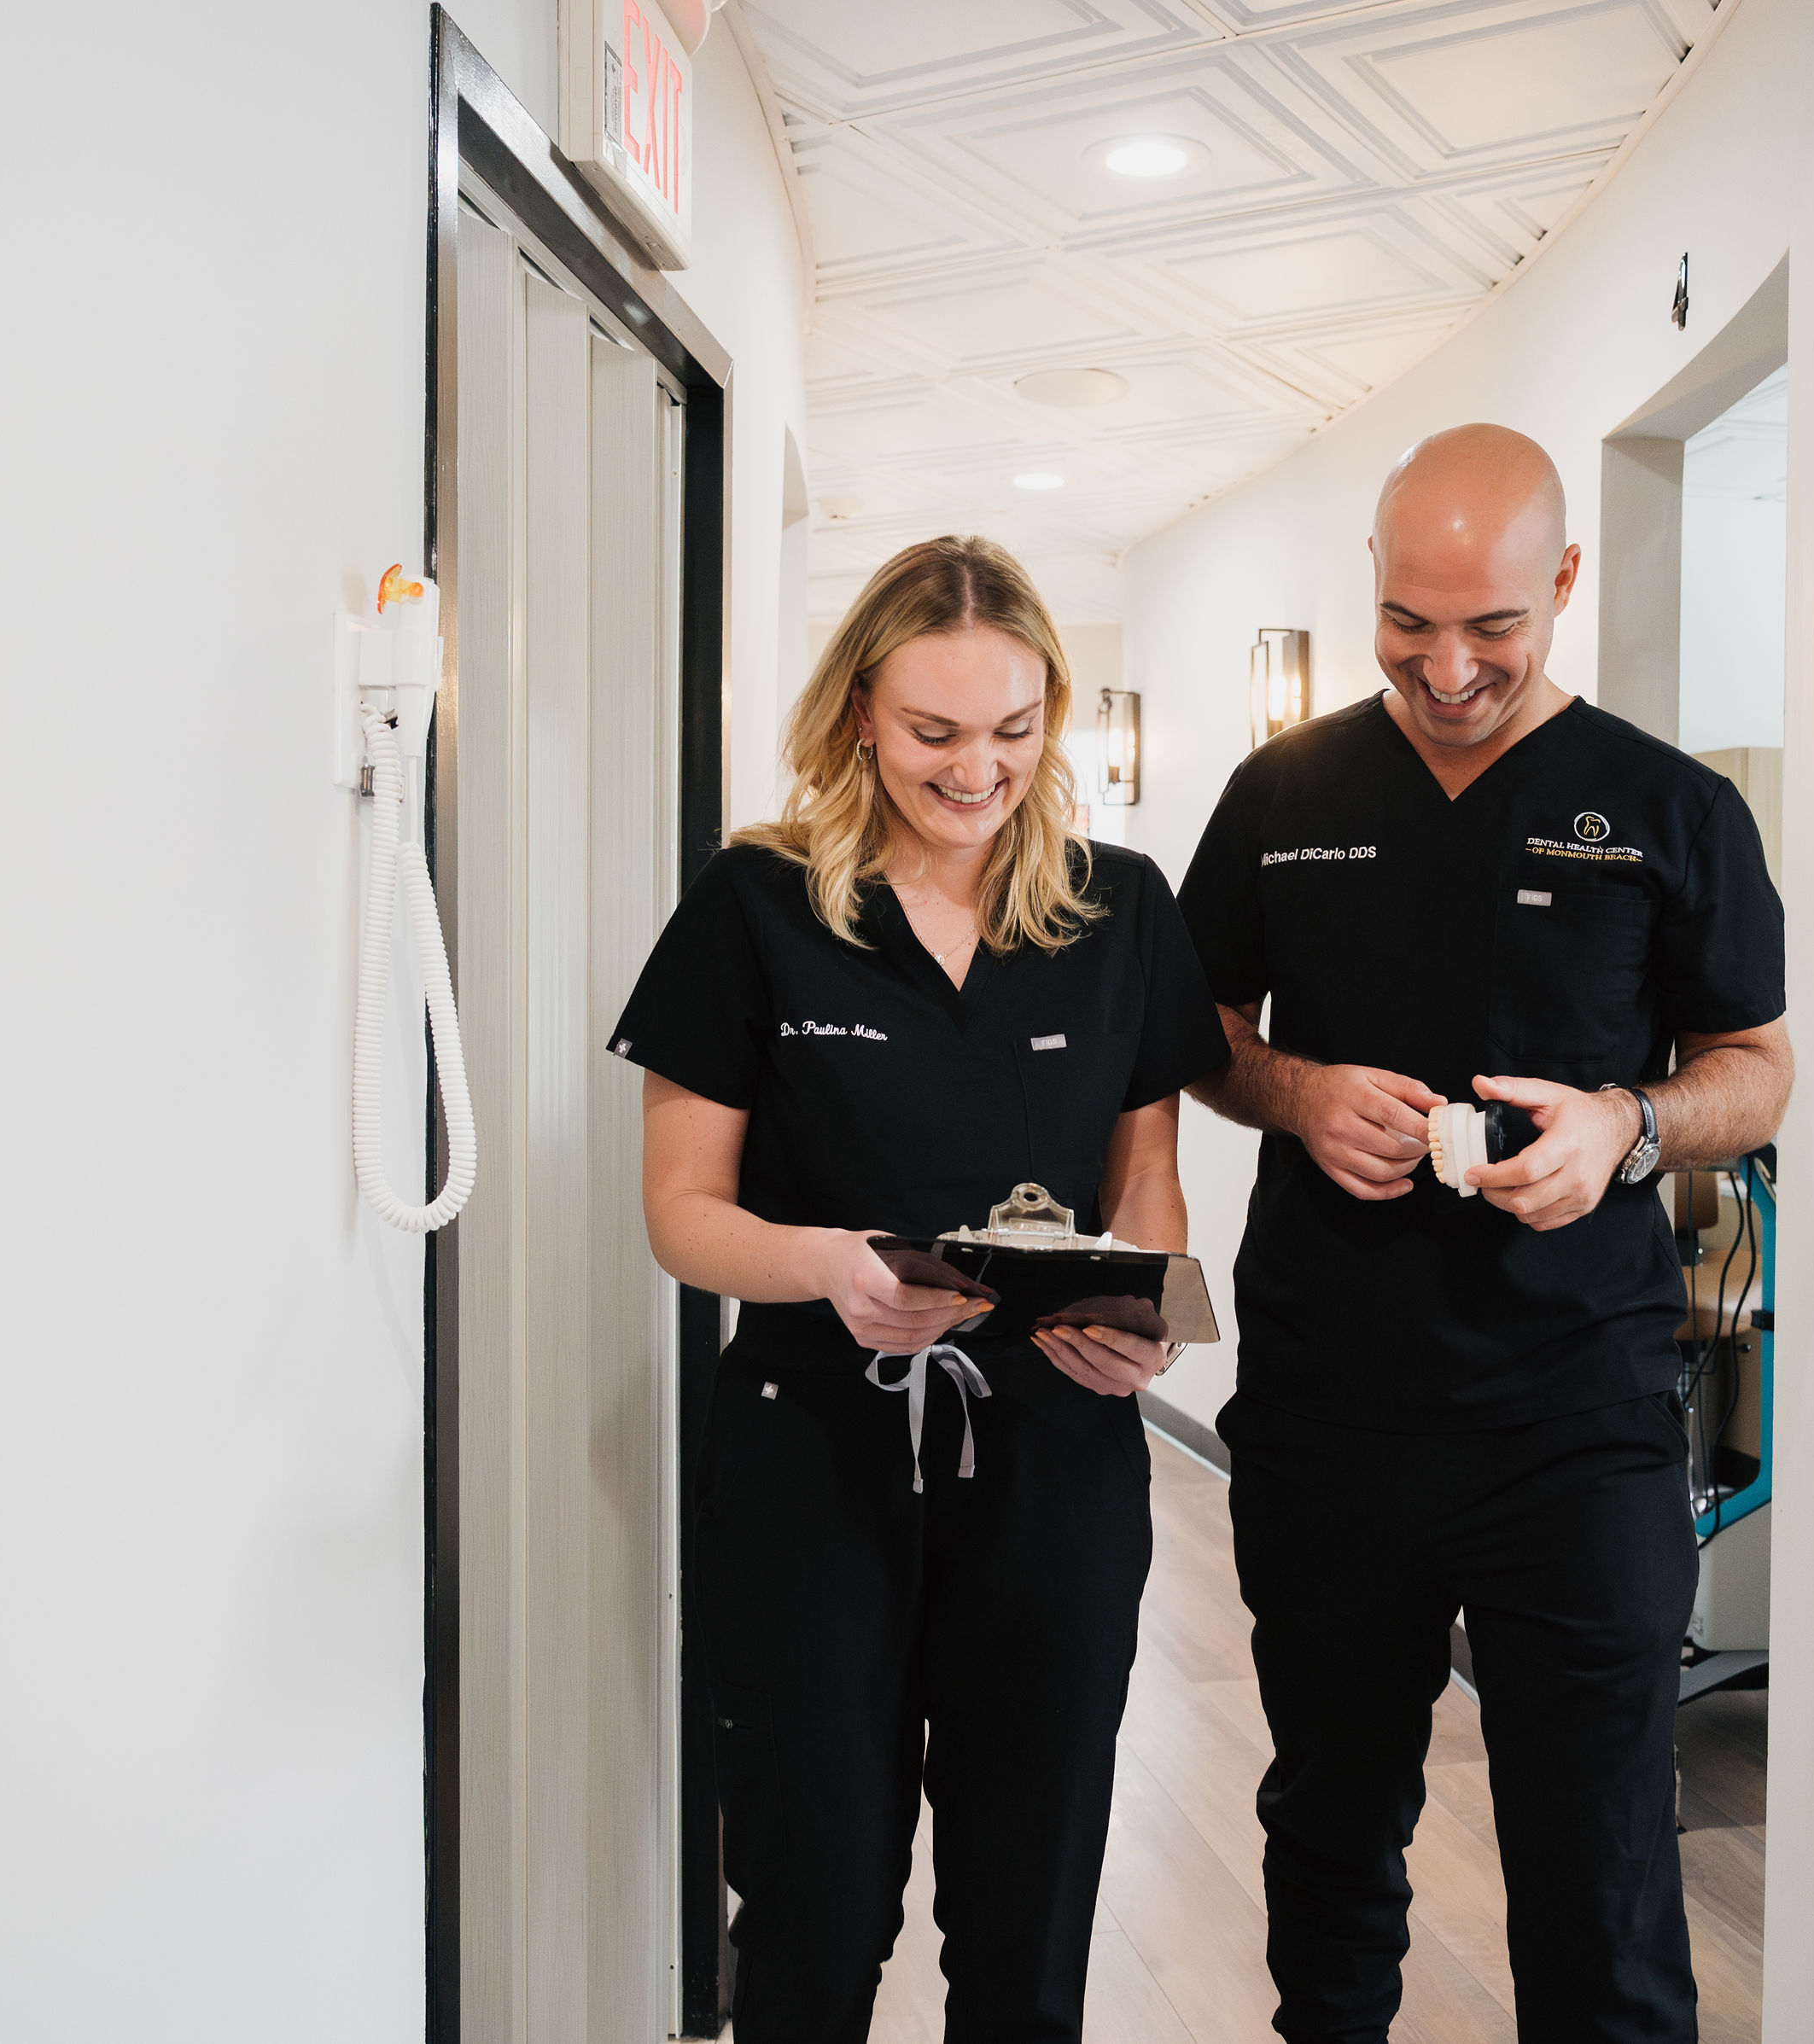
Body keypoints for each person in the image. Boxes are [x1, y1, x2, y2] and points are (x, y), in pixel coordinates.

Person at [1175, 425, 1793, 2044]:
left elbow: (1757, 1067)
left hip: (1578, 1417)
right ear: (1372, 585)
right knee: (1330, 1826)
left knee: (1596, 1865)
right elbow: (1197, 1033)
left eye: (1496, 629)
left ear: (1565, 583)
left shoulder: (1670, 807)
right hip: (1331, 1409)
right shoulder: (1281, 794)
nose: (1449, 668)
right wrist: (1297, 1091)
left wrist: (1631, 1127)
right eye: (1411, 623)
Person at [611, 534, 1229, 2043]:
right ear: (862, 717)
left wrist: (1135, 1316)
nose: (978, 771)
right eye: (935, 733)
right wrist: (825, 1266)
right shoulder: (755, 906)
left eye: (1014, 732)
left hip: (1055, 1469)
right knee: (817, 1907)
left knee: (1028, 1922)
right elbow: (681, 1216)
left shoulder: (1120, 908)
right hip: (813, 1462)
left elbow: (1143, 1183)